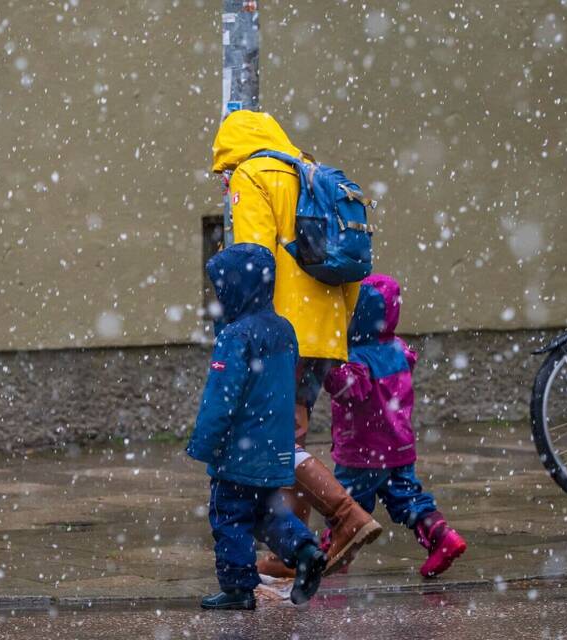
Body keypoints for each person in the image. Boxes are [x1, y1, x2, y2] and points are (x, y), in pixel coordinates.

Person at [211, 110, 382, 577]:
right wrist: (334, 328)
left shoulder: (253, 174)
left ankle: (346, 516)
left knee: (277, 439)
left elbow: (253, 262)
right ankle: (296, 554)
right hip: (323, 327)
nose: (225, 183)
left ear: (233, 157)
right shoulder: (310, 171)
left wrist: (247, 334)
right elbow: (351, 264)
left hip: (280, 329)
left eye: (223, 173)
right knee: (294, 432)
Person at [186, 243, 326, 610]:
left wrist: (205, 443)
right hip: (273, 446)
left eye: (222, 288)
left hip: (239, 448)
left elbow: (222, 397)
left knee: (229, 513)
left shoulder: (236, 336)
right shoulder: (284, 329)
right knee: (267, 512)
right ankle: (306, 549)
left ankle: (237, 588)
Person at [322, 274, 467, 577]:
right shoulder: (398, 349)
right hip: (399, 447)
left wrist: (326, 368)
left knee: (345, 506)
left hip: (362, 452)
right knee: (407, 498)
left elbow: (349, 390)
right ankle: (441, 536)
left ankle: (331, 554)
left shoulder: (357, 359)